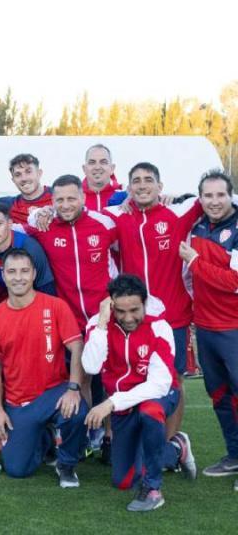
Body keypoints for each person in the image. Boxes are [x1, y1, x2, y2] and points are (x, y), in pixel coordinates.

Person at [103, 162, 205, 437]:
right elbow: (82, 214)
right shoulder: (117, 216)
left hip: (174, 315)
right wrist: (43, 212)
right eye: (136, 181)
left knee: (174, 379)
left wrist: (180, 196)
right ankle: (121, 440)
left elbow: (217, 197)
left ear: (160, 186)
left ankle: (171, 442)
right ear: (129, 188)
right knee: (126, 375)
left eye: (148, 180)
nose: (142, 185)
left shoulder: (178, 212)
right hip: (131, 316)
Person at [81, 275, 196, 512]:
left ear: (144, 303)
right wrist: (102, 322)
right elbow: (91, 367)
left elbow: (158, 385)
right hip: (123, 405)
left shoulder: (159, 327)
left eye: (134, 310)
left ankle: (153, 489)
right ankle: (176, 449)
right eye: (120, 311)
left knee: (149, 410)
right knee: (123, 481)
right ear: (111, 305)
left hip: (158, 396)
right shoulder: (99, 324)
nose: (128, 318)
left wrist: (110, 403)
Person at [0, 249, 88, 486]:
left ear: (34, 274)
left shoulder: (56, 306)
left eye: (24, 271)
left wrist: (73, 389)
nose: (18, 277)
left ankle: (66, 465)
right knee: (17, 470)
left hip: (54, 392)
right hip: (19, 402)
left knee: (77, 410)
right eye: (12, 272)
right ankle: (45, 438)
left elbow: (77, 347)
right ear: (3, 275)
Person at [180, 169, 238, 480]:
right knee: (219, 395)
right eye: (208, 195)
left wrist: (195, 261)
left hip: (234, 327)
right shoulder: (198, 224)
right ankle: (234, 455)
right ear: (200, 198)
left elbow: (234, 281)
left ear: (231, 195)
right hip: (205, 327)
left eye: (220, 195)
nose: (214, 201)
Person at [25, 174, 118, 325]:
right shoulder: (44, 226)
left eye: (71, 199)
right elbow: (10, 232)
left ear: (83, 198)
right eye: (60, 200)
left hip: (106, 314)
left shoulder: (105, 224)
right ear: (52, 201)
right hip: (68, 319)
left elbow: (125, 252)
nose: (66, 205)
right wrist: (36, 214)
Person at [0, 203, 56, 309]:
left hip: (35, 303)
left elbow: (46, 288)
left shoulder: (29, 247)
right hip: (6, 306)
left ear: (9, 224)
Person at [0, 154, 53, 225]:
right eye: (18, 175)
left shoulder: (57, 195)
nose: (24, 178)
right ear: (13, 180)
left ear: (39, 173)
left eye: (28, 172)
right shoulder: (8, 204)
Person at [82, 144, 127, 211]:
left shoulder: (126, 196)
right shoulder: (74, 197)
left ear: (112, 168)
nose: (97, 167)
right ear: (84, 169)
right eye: (92, 162)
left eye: (103, 162)